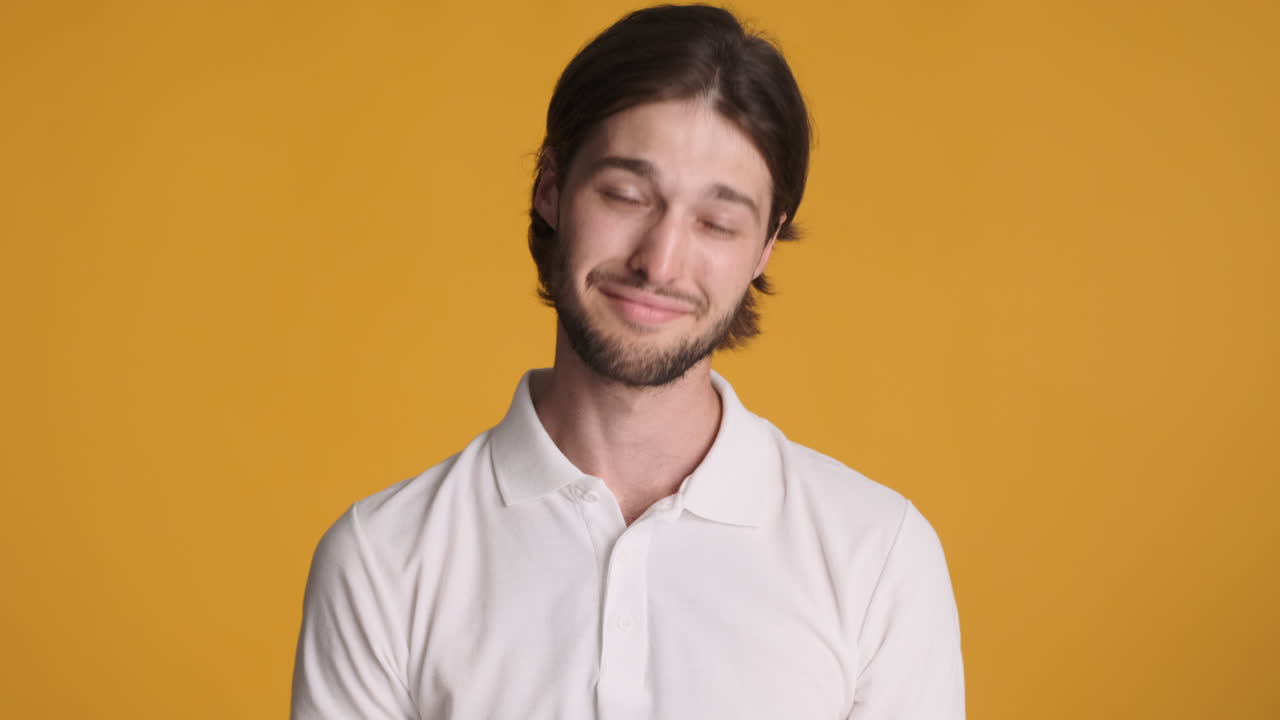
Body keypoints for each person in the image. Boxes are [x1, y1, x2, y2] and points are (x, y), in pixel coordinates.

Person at [290, 5, 964, 719]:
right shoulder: (382, 561)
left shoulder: (877, 556)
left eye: (718, 222)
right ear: (551, 189)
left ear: (766, 245)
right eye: (625, 194)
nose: (660, 261)